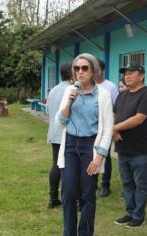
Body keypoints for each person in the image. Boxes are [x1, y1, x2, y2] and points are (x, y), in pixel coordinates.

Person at [55, 53, 113, 236]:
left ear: (93, 70)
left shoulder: (103, 95)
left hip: (90, 146)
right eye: (77, 68)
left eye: (84, 68)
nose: (80, 71)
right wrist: (69, 103)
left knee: (88, 194)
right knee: (68, 194)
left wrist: (99, 155)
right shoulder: (69, 91)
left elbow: (108, 128)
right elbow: (59, 122)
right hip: (70, 146)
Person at [113, 62, 147, 228]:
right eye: (125, 73)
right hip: (122, 148)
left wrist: (114, 128)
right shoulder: (122, 95)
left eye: (131, 73)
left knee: (140, 184)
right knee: (127, 184)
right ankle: (130, 212)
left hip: (139, 150)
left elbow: (139, 119)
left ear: (141, 75)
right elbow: (114, 114)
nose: (127, 76)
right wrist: (114, 130)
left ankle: (139, 215)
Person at [46, 62, 72, 209]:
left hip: (54, 132)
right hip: (67, 133)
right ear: (71, 74)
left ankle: (53, 198)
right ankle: (70, 198)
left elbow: (49, 112)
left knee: (56, 164)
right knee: (69, 166)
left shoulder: (53, 90)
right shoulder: (72, 90)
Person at [96, 59, 119, 197]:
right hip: (91, 126)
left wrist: (114, 127)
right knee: (90, 154)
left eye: (97, 68)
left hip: (106, 127)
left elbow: (117, 107)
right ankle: (92, 182)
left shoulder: (110, 86)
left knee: (105, 155)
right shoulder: (89, 85)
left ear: (103, 70)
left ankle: (105, 185)